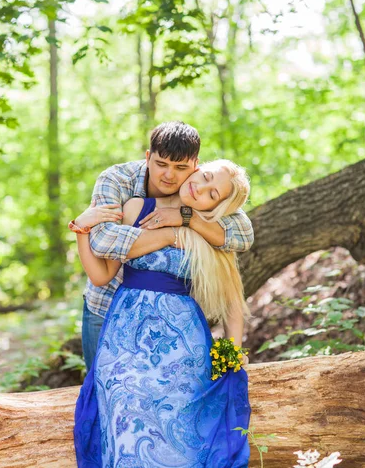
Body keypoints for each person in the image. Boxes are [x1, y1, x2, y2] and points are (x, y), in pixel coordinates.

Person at [73, 159, 252, 467]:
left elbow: (232, 300)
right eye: (205, 177)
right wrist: (80, 228)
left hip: (183, 342)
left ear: (217, 206)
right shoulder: (136, 207)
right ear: (197, 167)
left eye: (213, 194)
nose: (201, 188)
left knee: (182, 421)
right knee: (122, 404)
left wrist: (231, 353)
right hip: (126, 335)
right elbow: (102, 276)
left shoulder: (210, 232)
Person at [69, 121, 254, 370]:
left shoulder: (210, 219)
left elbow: (243, 237)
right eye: (161, 164)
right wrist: (170, 234)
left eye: (180, 167)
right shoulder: (122, 187)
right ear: (148, 157)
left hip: (177, 333)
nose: (169, 175)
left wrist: (187, 220)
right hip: (109, 311)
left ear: (194, 166)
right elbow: (104, 246)